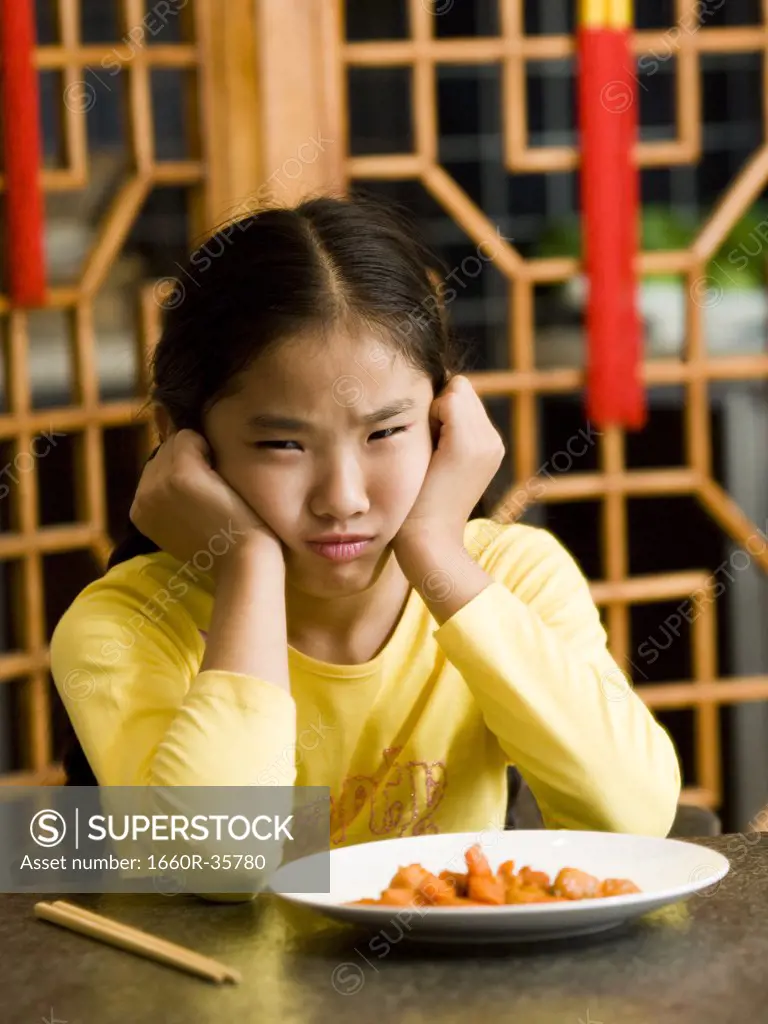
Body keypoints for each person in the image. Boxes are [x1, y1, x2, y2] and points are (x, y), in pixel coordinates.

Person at [50, 193, 681, 859]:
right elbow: (216, 862)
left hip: (461, 966)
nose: (343, 498)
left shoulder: (515, 577)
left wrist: (437, 552)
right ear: (184, 445)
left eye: (385, 431)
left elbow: (631, 819)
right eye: (283, 446)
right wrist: (248, 567)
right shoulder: (126, 625)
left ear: (445, 419)